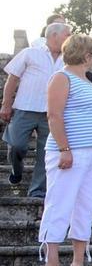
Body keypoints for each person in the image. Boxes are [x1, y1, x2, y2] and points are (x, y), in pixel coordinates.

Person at [38, 34, 92, 266]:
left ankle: (78, 260)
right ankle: (52, 259)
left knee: (86, 205)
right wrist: (64, 149)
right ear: (86, 56)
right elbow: (54, 115)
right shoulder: (62, 77)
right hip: (70, 150)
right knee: (59, 202)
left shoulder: (88, 81)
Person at [1, 22, 71, 197]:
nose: (70, 38)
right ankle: (17, 170)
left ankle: (37, 190)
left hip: (52, 114)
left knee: (46, 153)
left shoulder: (69, 59)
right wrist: (6, 104)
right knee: (16, 145)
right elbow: (12, 79)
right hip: (25, 108)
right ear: (54, 35)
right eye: (67, 34)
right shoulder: (30, 53)